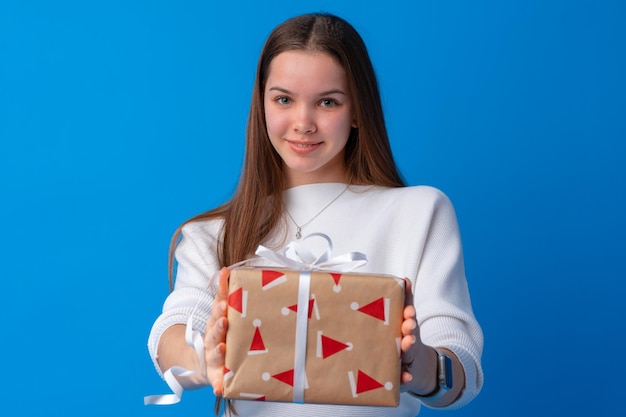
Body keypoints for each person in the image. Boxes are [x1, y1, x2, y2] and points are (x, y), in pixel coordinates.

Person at [148, 12, 483, 416]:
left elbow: (460, 365)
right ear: (263, 106)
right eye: (284, 99)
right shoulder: (214, 232)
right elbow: (176, 328)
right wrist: (205, 357)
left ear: (357, 110)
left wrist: (423, 366)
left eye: (327, 102)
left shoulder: (419, 212)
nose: (303, 123)